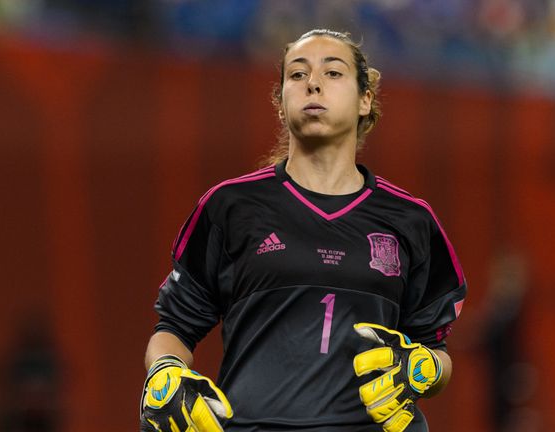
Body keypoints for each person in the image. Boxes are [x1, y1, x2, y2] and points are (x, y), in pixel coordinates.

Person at [139, 29, 467, 432]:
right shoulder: (230, 205)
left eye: (333, 73)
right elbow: (173, 329)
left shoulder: (411, 219)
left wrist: (425, 369)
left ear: (366, 99)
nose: (312, 82)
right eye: (297, 75)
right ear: (279, 104)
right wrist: (165, 373)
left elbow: (436, 352)